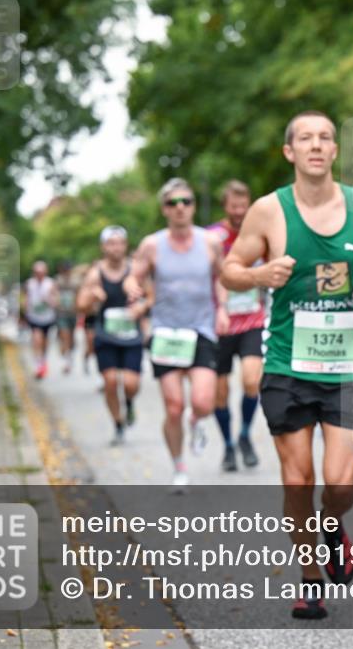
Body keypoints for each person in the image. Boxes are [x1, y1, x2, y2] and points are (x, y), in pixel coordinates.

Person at [222, 110, 353, 620]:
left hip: (349, 368)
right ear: (290, 151)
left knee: (341, 484)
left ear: (335, 150)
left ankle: (332, 524)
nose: (316, 145)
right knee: (297, 479)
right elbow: (230, 271)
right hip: (287, 364)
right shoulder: (267, 211)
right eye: (305, 138)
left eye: (325, 137)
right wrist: (259, 277)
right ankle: (310, 577)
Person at [125, 178, 229, 489]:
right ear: (164, 210)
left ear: (193, 206)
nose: (180, 207)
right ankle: (179, 466)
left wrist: (223, 309)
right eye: (173, 203)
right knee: (173, 407)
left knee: (203, 403)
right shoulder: (152, 245)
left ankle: (196, 422)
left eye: (186, 201)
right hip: (166, 332)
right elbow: (133, 276)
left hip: (201, 329)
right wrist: (132, 288)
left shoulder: (209, 242)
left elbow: (222, 277)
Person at [206, 180, 263, 471]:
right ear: (225, 207)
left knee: (252, 381)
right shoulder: (212, 236)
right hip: (219, 323)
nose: (239, 211)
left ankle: (244, 435)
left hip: (253, 318)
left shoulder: (259, 232)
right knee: (220, 392)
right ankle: (228, 445)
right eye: (234, 206)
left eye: (244, 206)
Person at [78, 226, 148, 445]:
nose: (116, 248)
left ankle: (129, 402)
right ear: (103, 247)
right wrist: (92, 297)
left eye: (119, 243)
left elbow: (152, 296)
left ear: (125, 245)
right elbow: (80, 305)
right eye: (111, 243)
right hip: (106, 336)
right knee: (110, 382)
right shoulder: (95, 273)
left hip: (131, 335)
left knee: (130, 384)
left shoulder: (136, 270)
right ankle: (118, 425)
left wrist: (142, 307)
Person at [21, 261, 58, 378]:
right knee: (37, 339)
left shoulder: (50, 283)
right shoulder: (29, 283)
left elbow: (56, 301)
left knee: (45, 341)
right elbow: (25, 299)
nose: (39, 274)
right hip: (34, 317)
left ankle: (43, 359)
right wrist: (24, 311)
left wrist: (49, 300)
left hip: (48, 317)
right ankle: (38, 364)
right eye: (37, 272)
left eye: (41, 272)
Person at [55, 260, 81, 374]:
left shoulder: (76, 281)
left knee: (71, 336)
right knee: (64, 335)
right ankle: (67, 361)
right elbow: (54, 294)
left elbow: (79, 294)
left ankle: (70, 355)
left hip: (73, 313)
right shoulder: (58, 280)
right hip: (61, 313)